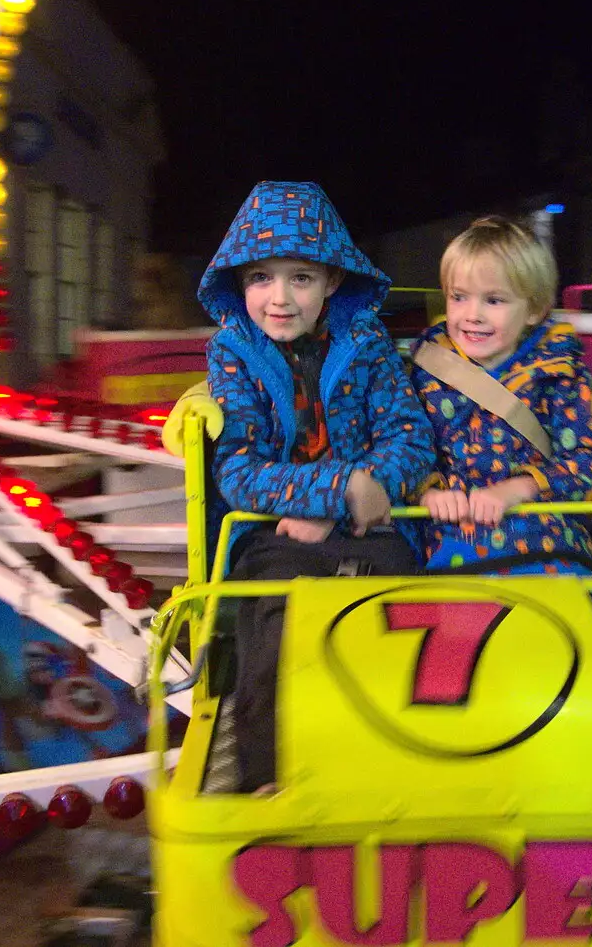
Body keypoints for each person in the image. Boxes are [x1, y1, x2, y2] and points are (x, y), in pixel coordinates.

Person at [199, 181, 435, 794]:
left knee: (398, 638)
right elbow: (239, 470)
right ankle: (271, 786)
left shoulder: (369, 345)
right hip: (276, 536)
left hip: (376, 530)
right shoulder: (233, 352)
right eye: (261, 278)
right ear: (239, 282)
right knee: (276, 645)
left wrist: (356, 500)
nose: (279, 298)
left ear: (332, 280)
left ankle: (394, 778)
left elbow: (410, 441)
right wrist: (341, 490)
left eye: (300, 277)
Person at [408, 215, 592, 573]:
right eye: (459, 297)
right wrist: (428, 492)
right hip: (450, 535)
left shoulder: (557, 372)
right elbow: (404, 447)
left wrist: (523, 488)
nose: (472, 315)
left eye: (494, 300)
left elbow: (591, 464)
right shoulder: (426, 369)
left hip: (543, 533)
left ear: (534, 309)